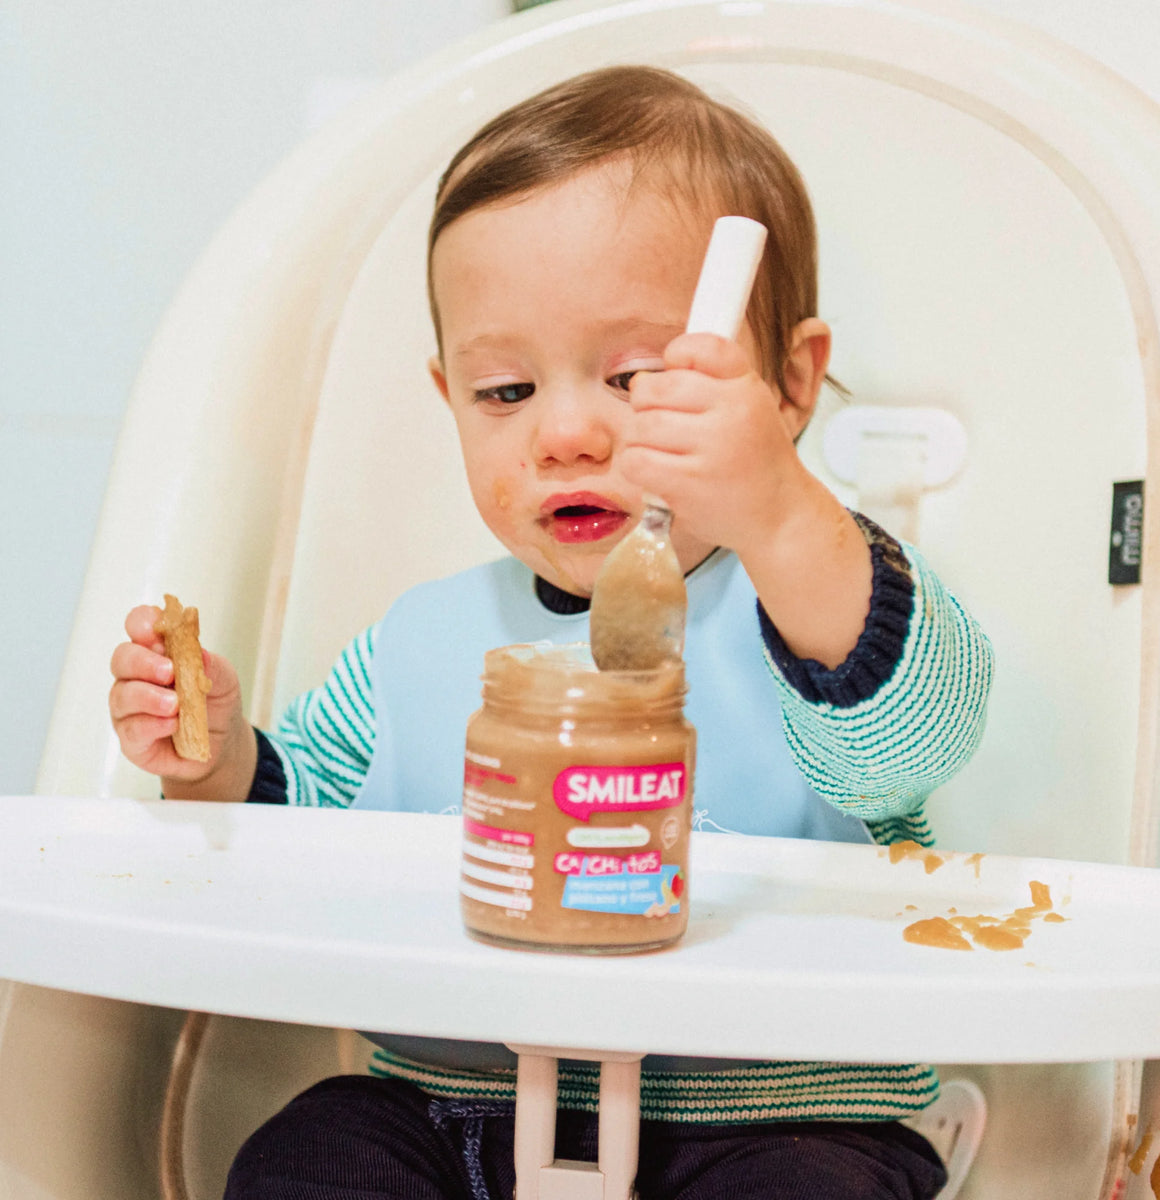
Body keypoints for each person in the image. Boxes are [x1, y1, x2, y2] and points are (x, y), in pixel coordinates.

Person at [110, 65, 992, 1200]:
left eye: (635, 376)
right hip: (453, 1104)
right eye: (505, 392)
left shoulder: (817, 612)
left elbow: (919, 740)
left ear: (788, 383)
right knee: (305, 1156)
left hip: (779, 1117)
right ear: (448, 396)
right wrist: (217, 759)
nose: (566, 431)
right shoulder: (420, 643)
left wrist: (776, 506)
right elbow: (304, 845)